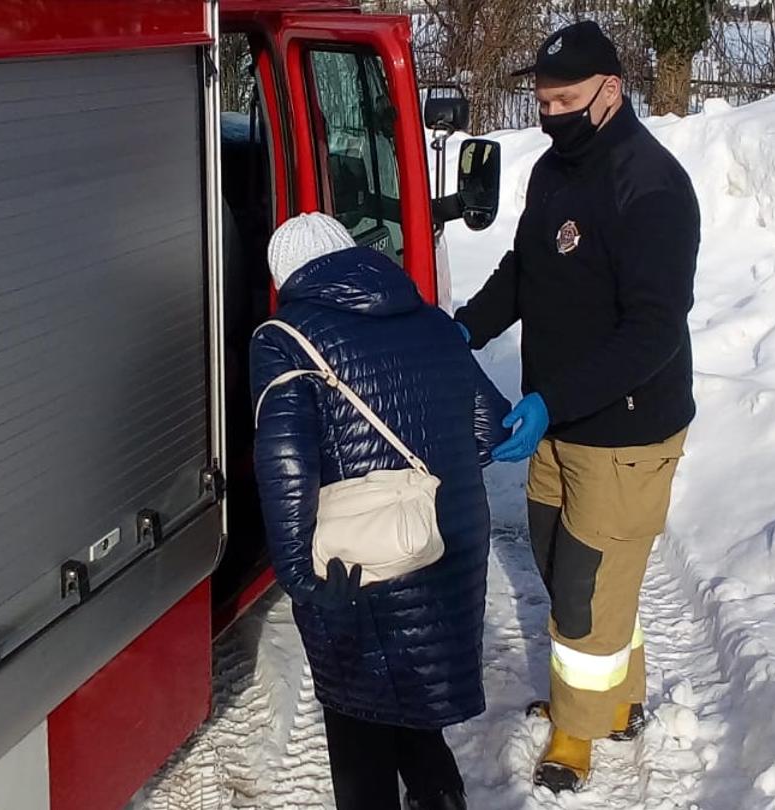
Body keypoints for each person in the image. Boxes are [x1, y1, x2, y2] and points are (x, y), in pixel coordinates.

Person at [453, 20, 702, 794]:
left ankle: (578, 730)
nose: (551, 112)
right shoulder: (556, 172)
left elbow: (654, 331)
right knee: (567, 565)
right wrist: (463, 325)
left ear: (611, 91)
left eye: (565, 99)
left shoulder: (650, 187)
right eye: (541, 100)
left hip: (624, 433)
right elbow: (525, 271)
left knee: (587, 591)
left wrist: (551, 398)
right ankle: (617, 700)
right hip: (557, 422)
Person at [251, 213, 510, 810]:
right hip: (445, 546)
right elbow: (489, 429)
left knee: (359, 722)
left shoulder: (284, 337)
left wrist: (298, 576)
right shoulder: (434, 322)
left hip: (360, 566)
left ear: (286, 276)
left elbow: (286, 468)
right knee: (415, 700)